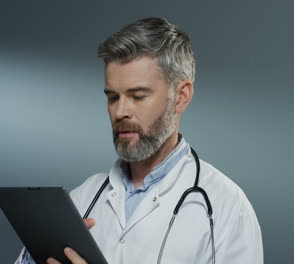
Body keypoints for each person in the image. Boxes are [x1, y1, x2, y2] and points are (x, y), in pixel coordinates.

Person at [15, 17, 263, 264]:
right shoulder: (82, 200)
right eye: (113, 97)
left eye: (137, 96)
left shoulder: (226, 208)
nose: (120, 111)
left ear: (180, 97)